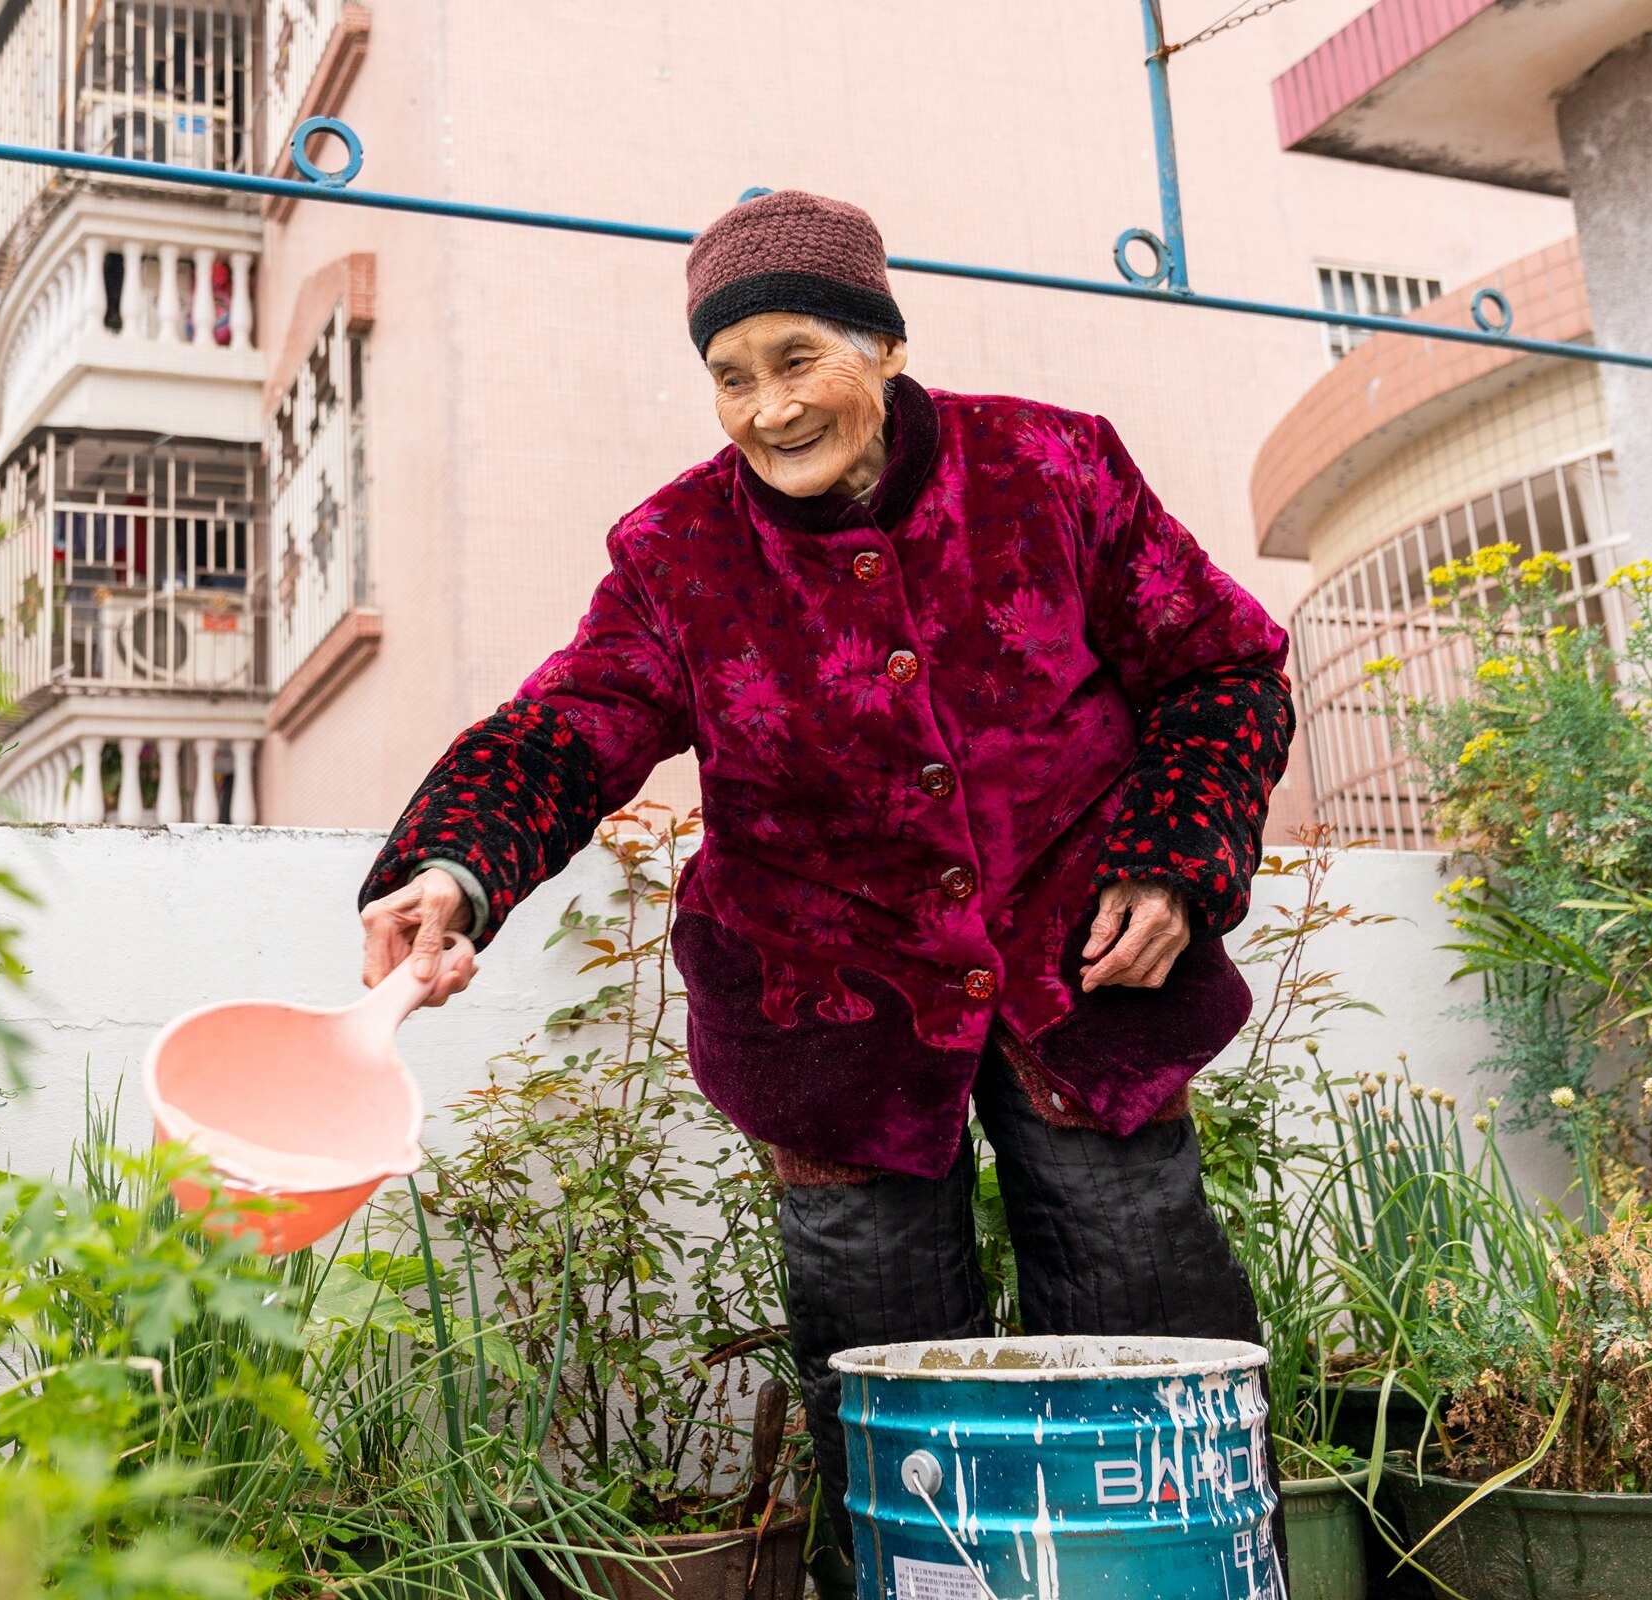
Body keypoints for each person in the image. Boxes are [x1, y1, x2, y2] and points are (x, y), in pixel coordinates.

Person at [356, 189, 1294, 1591]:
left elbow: (1222, 668)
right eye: (730, 377)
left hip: (1084, 979)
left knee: (1148, 1355)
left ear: (886, 345)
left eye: (798, 360)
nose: (765, 408)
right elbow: (573, 725)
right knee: (887, 1406)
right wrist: (454, 864)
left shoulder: (1053, 467)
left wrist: (1173, 861)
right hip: (831, 1017)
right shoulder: (677, 554)